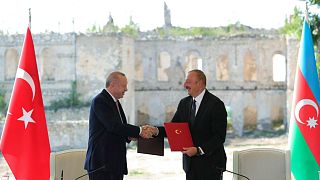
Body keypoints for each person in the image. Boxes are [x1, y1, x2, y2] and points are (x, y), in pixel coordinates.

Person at [84, 71, 157, 180]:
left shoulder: (115, 102)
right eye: (124, 86)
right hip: (102, 163)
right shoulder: (100, 101)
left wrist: (130, 136)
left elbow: (121, 127)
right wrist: (140, 130)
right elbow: (113, 126)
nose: (126, 89)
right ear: (112, 85)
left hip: (114, 163)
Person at [158, 69, 228, 180]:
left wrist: (198, 150)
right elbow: (173, 129)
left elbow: (219, 137)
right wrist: (154, 131)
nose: (185, 85)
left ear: (200, 83)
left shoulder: (216, 105)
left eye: (188, 82)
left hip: (211, 166)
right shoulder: (184, 103)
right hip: (190, 166)